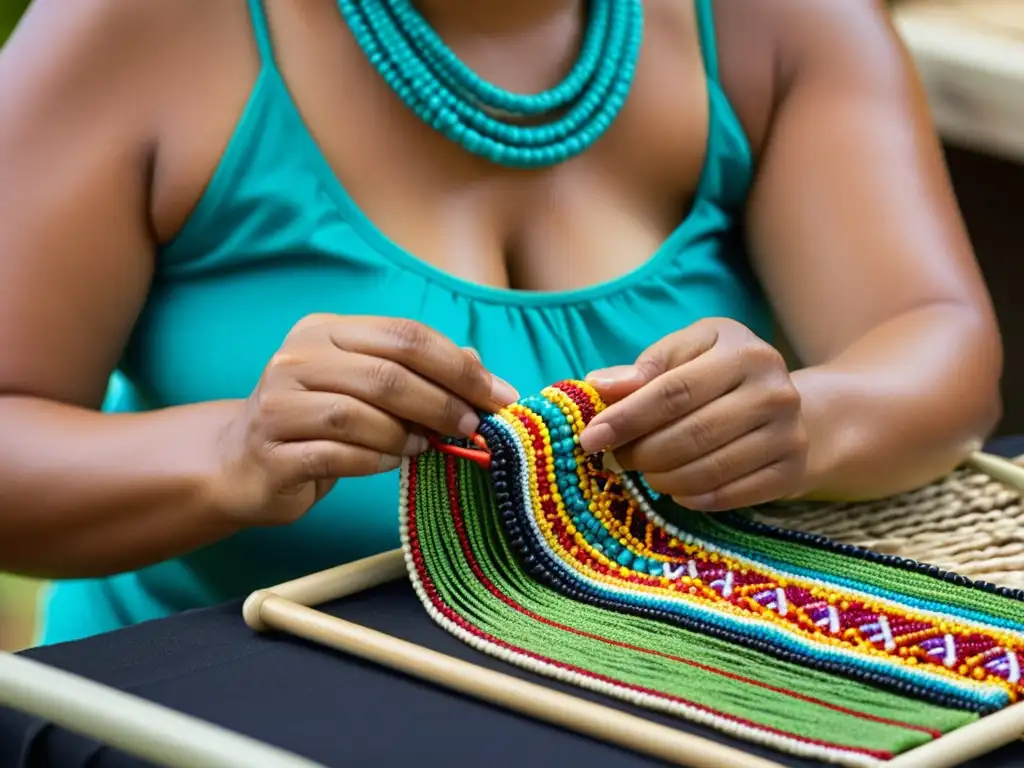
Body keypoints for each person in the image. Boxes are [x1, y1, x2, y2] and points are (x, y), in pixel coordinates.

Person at [0, 0, 1002, 647]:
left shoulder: (775, 23)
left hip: (669, 682)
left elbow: (931, 336)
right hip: (213, 703)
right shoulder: (139, 25)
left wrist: (810, 422)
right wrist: (227, 452)